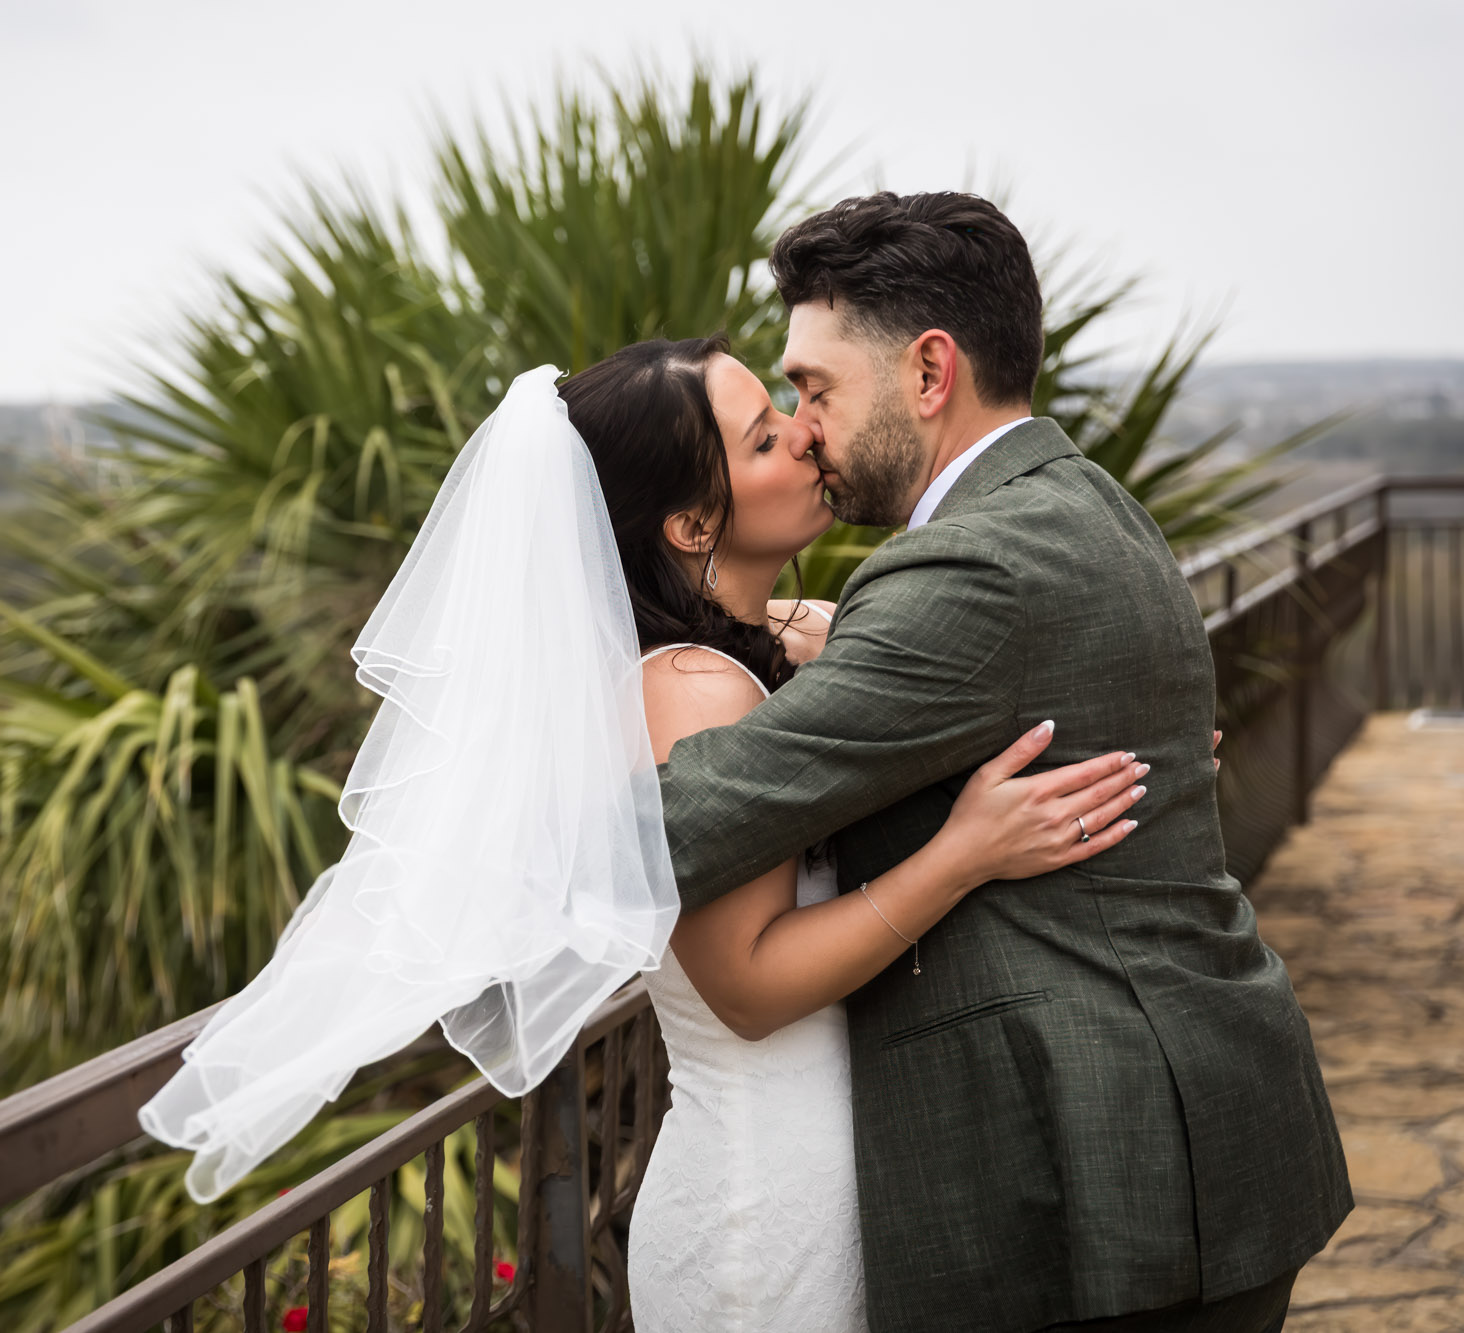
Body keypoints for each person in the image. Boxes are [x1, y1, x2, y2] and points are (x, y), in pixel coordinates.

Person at [653, 191, 1352, 1333]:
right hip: (1199, 1135)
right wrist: (781, 634)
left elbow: (674, 828)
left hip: (1102, 1184)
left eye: (815, 388)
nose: (804, 423)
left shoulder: (966, 572)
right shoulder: (1082, 503)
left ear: (928, 373)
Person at [556, 335, 1143, 1332]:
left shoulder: (768, 644)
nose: (805, 435)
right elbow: (745, 988)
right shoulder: (689, 691)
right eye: (763, 438)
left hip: (838, 1175)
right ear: (694, 519)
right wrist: (964, 853)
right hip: (763, 1209)